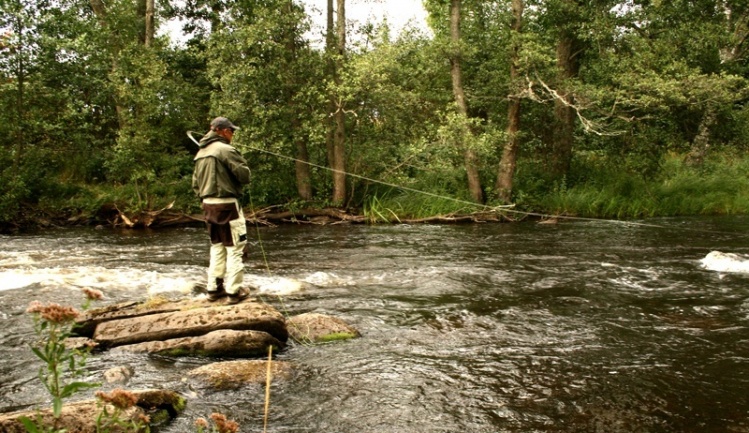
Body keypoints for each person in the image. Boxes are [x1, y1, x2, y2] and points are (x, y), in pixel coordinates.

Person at [192, 116, 251, 303]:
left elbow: (195, 184)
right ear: (222, 131)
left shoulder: (200, 153)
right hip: (227, 205)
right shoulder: (226, 149)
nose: (233, 134)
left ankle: (214, 289)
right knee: (235, 247)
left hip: (208, 205)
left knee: (217, 246)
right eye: (231, 131)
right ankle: (234, 291)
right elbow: (244, 176)